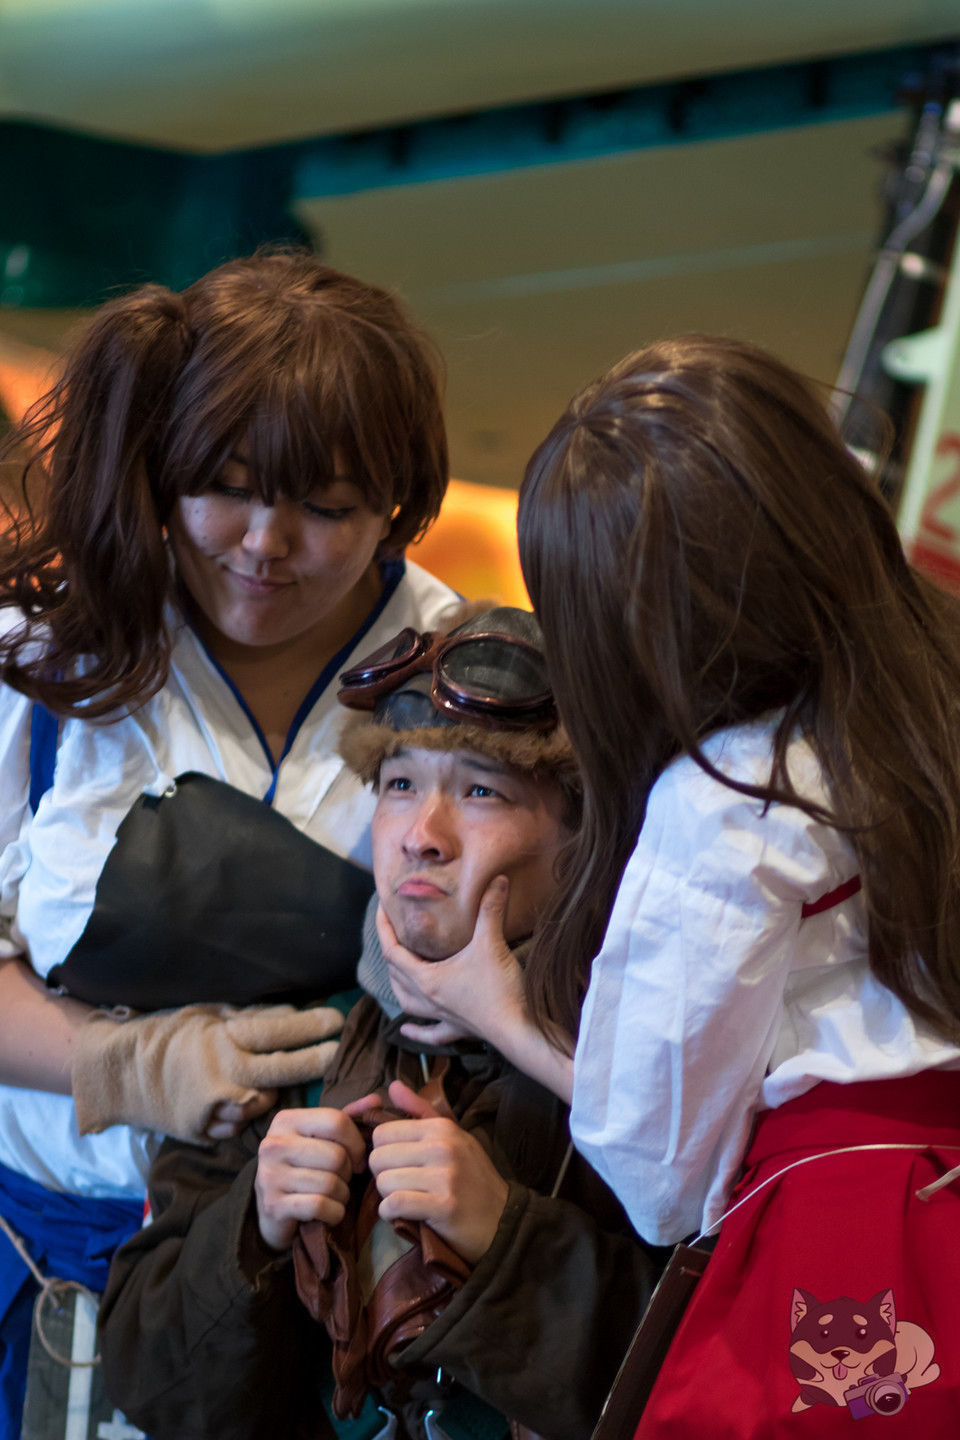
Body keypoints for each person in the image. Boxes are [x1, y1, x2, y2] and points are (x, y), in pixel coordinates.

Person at [380, 336, 960, 1433]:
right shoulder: (933, 693)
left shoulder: (729, 794)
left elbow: (660, 1172)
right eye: (399, 784)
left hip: (860, 1237)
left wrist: (501, 1012)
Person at [0, 248, 459, 1435]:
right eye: (226, 488)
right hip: (52, 1262)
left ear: (398, 503)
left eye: (326, 506)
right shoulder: (45, 653)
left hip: (330, 1303)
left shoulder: (469, 684)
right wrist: (118, 1064)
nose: (264, 543)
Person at [98, 606, 659, 1440]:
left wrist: (511, 1243)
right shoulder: (295, 1050)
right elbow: (147, 1385)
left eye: (481, 790)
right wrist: (254, 1227)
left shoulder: (654, 1090)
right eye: (400, 785)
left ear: (588, 837)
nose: (421, 837)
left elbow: (724, 1378)